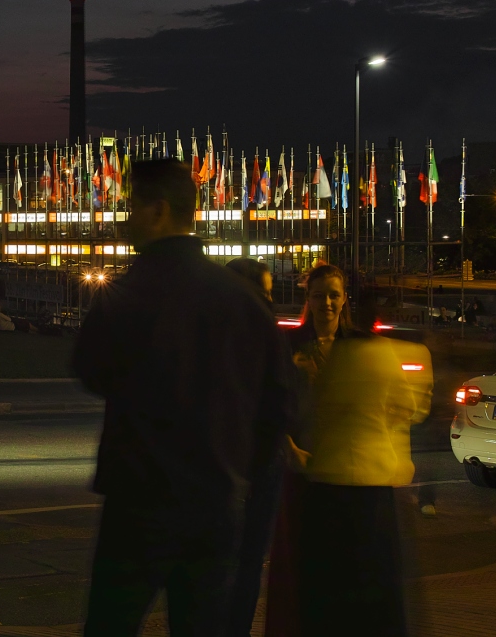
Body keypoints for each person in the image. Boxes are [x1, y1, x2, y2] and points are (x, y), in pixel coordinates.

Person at [73, 159, 292, 636]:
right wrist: (240, 469)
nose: (125, 217)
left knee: (111, 623)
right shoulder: (242, 300)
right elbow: (278, 404)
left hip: (138, 498)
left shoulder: (128, 293)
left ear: (158, 211)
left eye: (132, 205)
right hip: (215, 500)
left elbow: (89, 369)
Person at [296, 291, 431, 636]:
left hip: (326, 479)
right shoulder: (385, 353)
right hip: (371, 482)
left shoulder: (331, 356)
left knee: (328, 588)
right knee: (376, 587)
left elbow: (314, 411)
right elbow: (410, 408)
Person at [264, 263, 365, 637]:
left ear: (345, 299)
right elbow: (269, 403)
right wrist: (289, 448)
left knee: (342, 564)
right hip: (300, 468)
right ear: (307, 299)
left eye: (334, 295)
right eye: (319, 295)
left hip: (345, 467)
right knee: (299, 561)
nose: (327, 303)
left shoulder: (358, 346)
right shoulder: (289, 345)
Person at [221, 257, 285, 637]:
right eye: (265, 293)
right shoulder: (262, 339)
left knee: (237, 564)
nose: (270, 302)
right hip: (251, 469)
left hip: (241, 468)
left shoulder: (214, 337)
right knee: (242, 562)